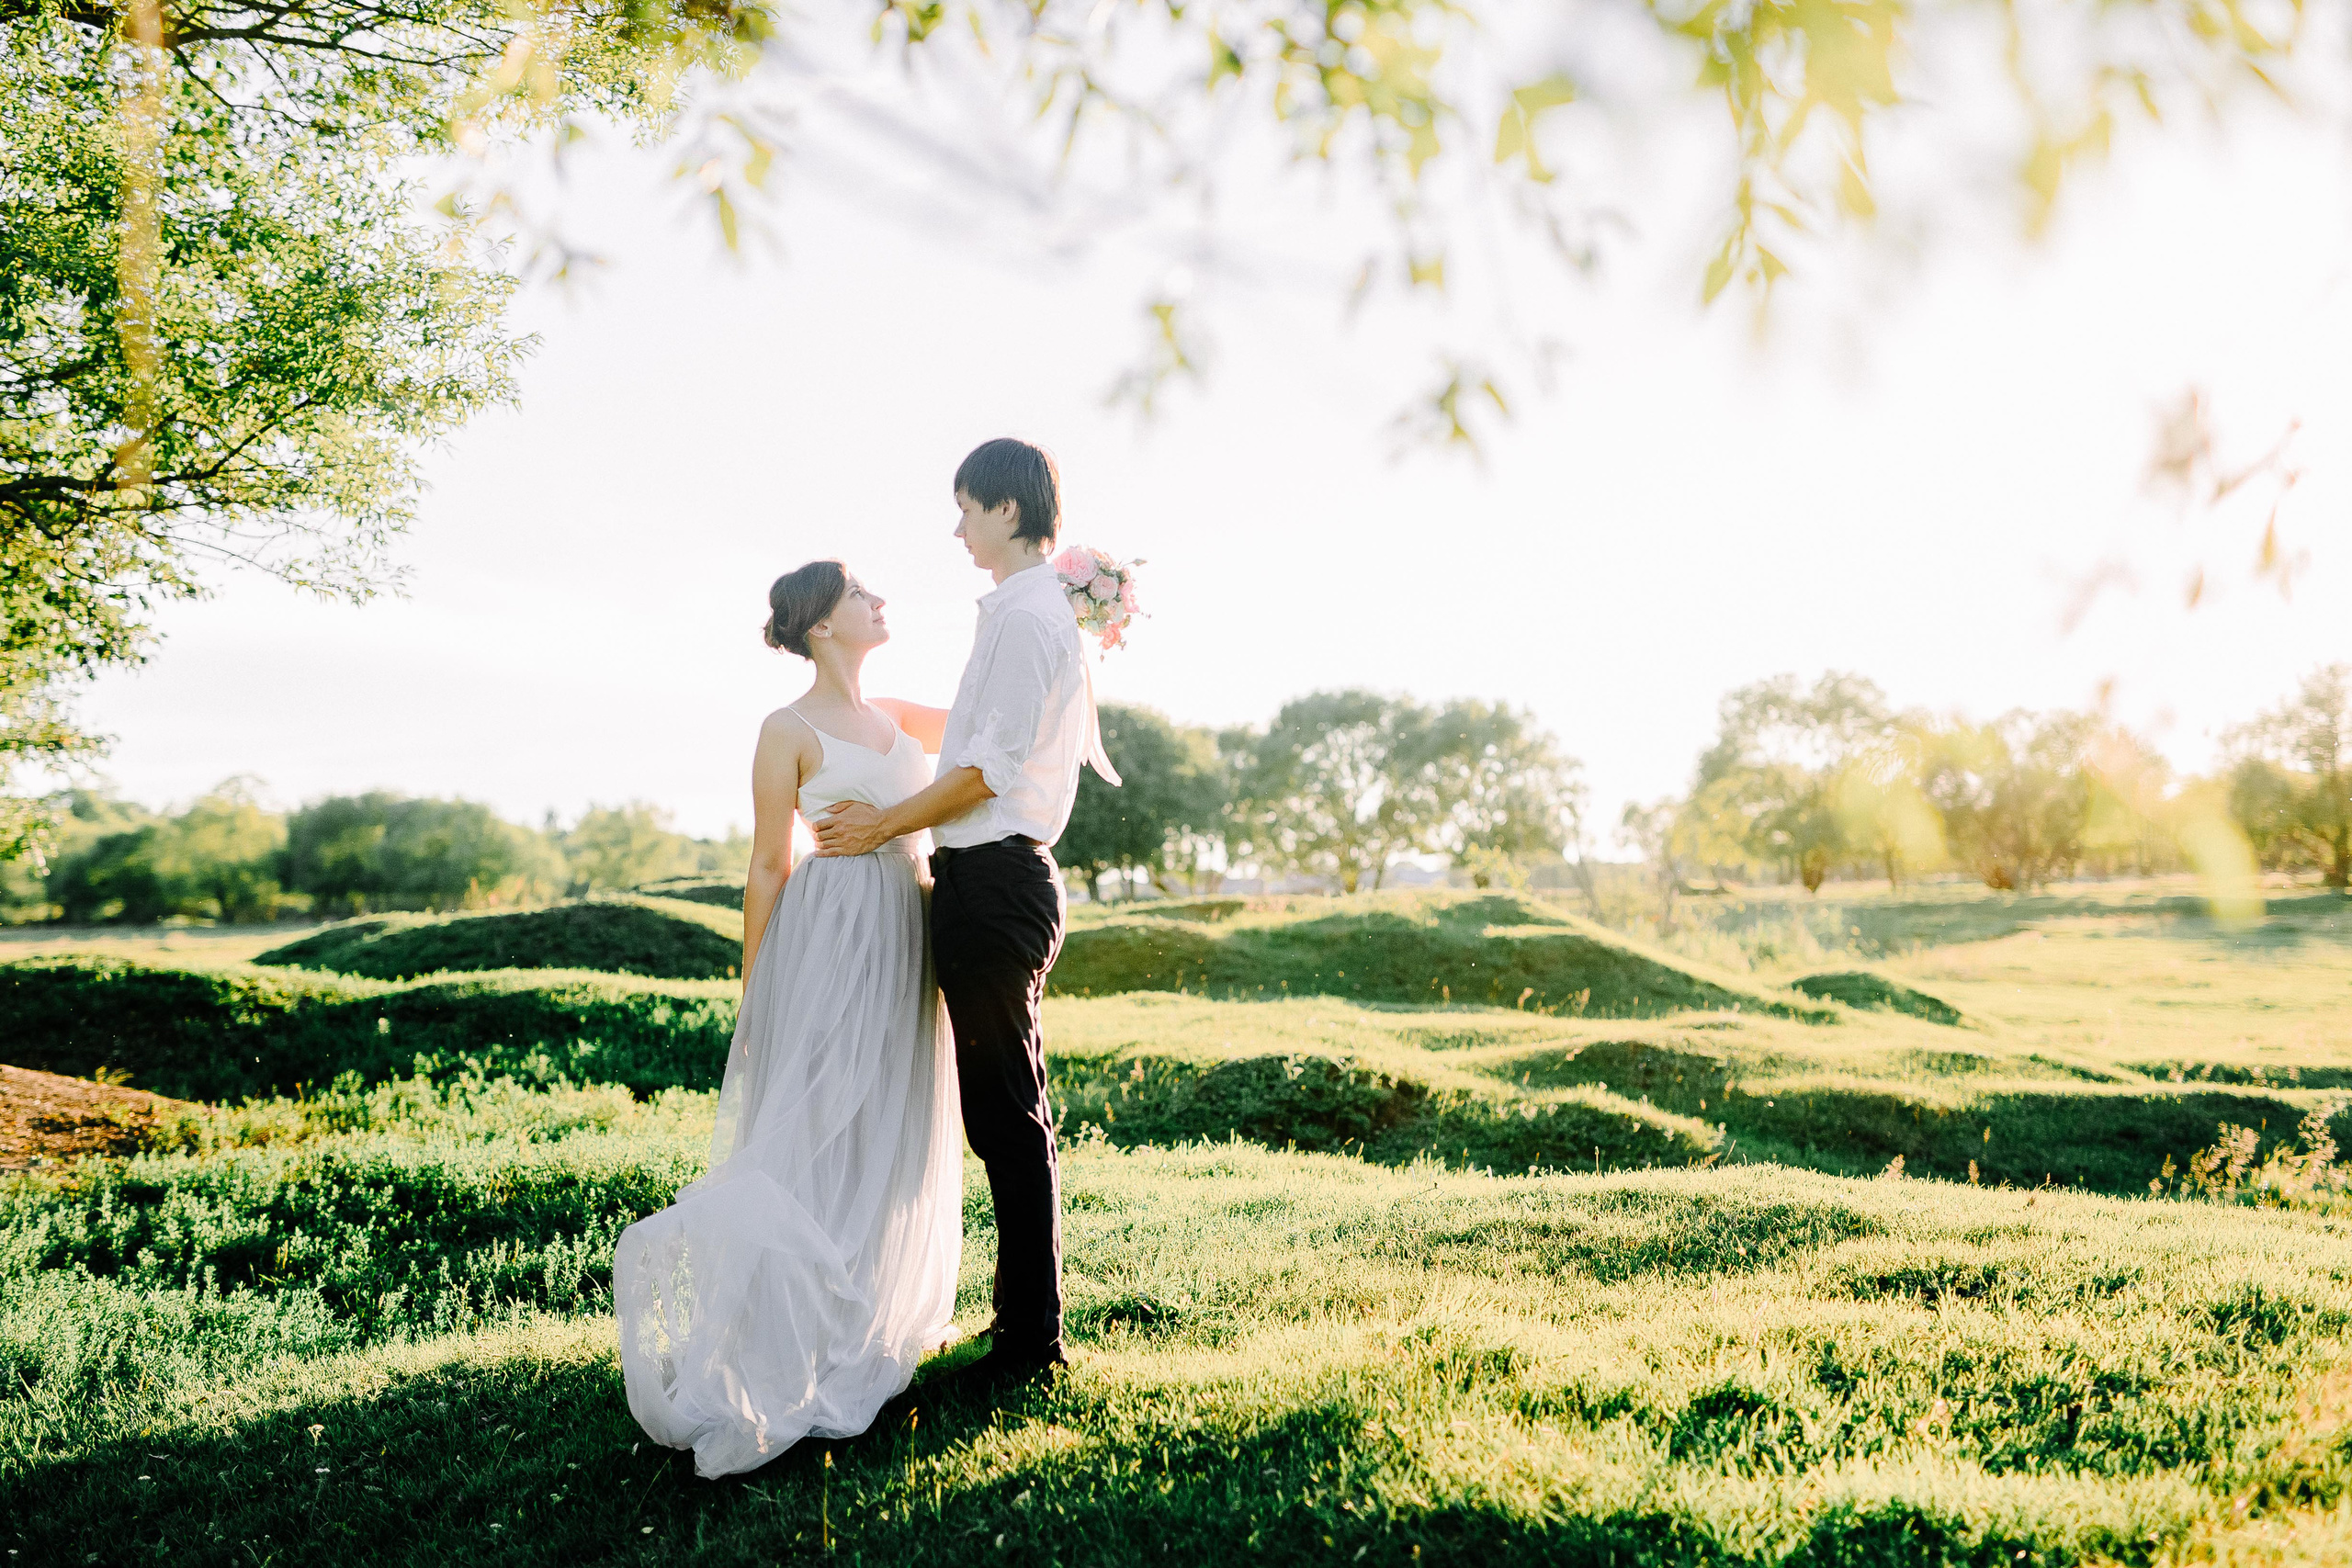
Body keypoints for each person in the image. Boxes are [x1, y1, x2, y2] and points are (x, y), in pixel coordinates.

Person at [613, 560, 964, 1479]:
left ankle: (862, 1311)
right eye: (860, 595)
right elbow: (768, 861)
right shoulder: (787, 728)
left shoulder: (900, 714)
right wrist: (758, 985)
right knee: (818, 1116)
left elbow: (990, 726)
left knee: (892, 1115)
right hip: (835, 929)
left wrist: (1082, 605)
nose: (880, 602)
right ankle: (784, 1329)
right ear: (818, 626)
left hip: (910, 925)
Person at [812, 436, 1118, 1389]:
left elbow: (986, 772)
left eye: (966, 509)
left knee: (1009, 1117)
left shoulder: (1029, 621)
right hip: (976, 883)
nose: (956, 529)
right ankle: (1018, 1324)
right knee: (997, 1113)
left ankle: (1031, 1340)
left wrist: (881, 827)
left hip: (996, 882)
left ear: (1009, 511)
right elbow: (968, 745)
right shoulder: (1018, 614)